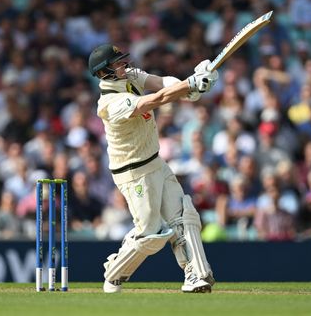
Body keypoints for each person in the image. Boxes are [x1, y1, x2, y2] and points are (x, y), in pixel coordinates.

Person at [88, 44, 218, 293]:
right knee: (151, 234)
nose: (124, 65)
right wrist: (189, 84)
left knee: (184, 215)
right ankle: (115, 272)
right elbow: (155, 100)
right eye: (117, 63)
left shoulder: (130, 76)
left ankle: (197, 275)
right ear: (104, 73)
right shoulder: (110, 103)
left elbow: (162, 83)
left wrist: (191, 87)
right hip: (133, 171)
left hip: (156, 161)